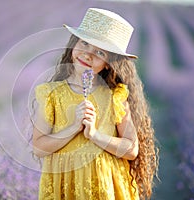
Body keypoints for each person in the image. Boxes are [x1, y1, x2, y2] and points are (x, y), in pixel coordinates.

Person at [31, 8, 158, 200]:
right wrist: (73, 127)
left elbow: (131, 149)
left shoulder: (115, 97)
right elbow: (39, 147)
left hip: (105, 188)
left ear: (109, 63)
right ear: (74, 44)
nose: (88, 54)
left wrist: (94, 135)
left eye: (100, 52)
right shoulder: (51, 94)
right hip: (64, 186)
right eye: (85, 43)